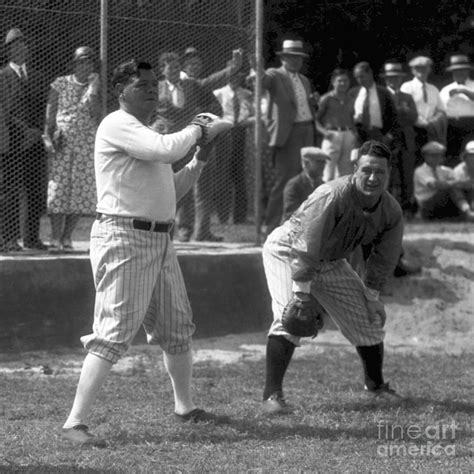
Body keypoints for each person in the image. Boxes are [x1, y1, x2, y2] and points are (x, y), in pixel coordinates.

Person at [61, 59, 226, 447]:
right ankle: (74, 422)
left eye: (153, 83)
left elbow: (173, 189)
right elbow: (165, 149)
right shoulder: (117, 123)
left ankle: (185, 408)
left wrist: (200, 156)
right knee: (114, 333)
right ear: (122, 90)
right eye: (141, 84)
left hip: (158, 239)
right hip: (123, 237)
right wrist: (199, 127)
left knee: (176, 328)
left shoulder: (146, 133)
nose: (151, 89)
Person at [261, 140, 405, 415]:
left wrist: (372, 296)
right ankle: (272, 397)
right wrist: (302, 294)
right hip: (288, 249)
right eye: (367, 170)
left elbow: (384, 258)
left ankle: (376, 387)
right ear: (355, 169)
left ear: (389, 174)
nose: (373, 178)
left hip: (331, 259)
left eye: (380, 172)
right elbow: (307, 243)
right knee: (290, 317)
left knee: (367, 318)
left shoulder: (390, 210)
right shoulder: (332, 193)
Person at [154, 51, 223, 242]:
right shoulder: (157, 88)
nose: (175, 71)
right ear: (163, 70)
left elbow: (210, 83)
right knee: (165, 188)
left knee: (187, 186)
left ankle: (187, 230)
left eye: (178, 67)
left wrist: (232, 68)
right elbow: (147, 112)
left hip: (187, 144)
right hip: (165, 144)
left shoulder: (189, 85)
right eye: (171, 67)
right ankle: (164, 230)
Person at [257, 39, 319, 235]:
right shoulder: (275, 75)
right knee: (284, 179)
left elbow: (304, 105)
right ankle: (272, 225)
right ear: (283, 58)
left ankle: (300, 223)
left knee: (307, 177)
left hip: (307, 129)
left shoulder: (305, 80)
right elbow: (262, 82)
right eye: (291, 57)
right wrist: (256, 67)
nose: (295, 61)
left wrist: (313, 103)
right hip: (288, 133)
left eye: (298, 58)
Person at [43, 46, 101, 251]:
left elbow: (96, 114)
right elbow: (50, 112)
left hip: (85, 145)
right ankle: (55, 237)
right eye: (82, 62)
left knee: (79, 191)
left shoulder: (94, 87)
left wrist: (93, 89)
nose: (86, 66)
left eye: (89, 62)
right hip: (63, 142)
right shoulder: (60, 83)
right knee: (58, 190)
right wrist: (47, 136)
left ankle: (67, 238)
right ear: (74, 64)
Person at [0, 27, 48, 251]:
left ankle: (31, 238)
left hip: (34, 142)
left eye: (23, 44)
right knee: (10, 190)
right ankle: (9, 238)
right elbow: (4, 110)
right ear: (8, 51)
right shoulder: (2, 76)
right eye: (15, 46)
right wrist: (25, 130)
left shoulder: (38, 76)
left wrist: (37, 130)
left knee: (35, 190)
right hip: (12, 142)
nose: (20, 49)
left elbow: (44, 108)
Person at [213, 71, 254, 224]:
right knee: (223, 175)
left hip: (241, 132)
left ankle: (240, 217)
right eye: (232, 76)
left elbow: (251, 112)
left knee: (239, 175)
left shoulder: (247, 94)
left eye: (237, 76)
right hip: (225, 133)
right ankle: (223, 216)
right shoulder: (218, 93)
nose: (234, 79)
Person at [381, 61, 419, 218]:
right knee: (388, 173)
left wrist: (405, 110)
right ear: (386, 80)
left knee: (406, 174)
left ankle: (406, 208)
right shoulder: (382, 95)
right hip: (389, 137)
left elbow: (414, 117)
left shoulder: (407, 97)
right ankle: (387, 209)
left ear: (400, 80)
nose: (393, 81)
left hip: (405, 138)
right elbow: (381, 118)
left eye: (396, 78)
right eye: (390, 78)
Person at [400, 56, 447, 161]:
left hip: (431, 131)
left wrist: (433, 122)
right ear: (412, 70)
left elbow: (441, 110)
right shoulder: (407, 87)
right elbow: (405, 109)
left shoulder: (433, 89)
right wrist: (420, 122)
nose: (422, 70)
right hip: (413, 130)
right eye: (418, 68)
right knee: (414, 161)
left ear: (429, 70)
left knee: (431, 160)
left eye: (425, 68)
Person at [316, 68, 357, 181]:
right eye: (340, 81)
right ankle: (327, 197)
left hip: (348, 134)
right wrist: (324, 132)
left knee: (346, 172)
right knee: (328, 171)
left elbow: (353, 117)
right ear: (333, 82)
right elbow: (315, 119)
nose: (343, 83)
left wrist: (353, 133)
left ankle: (342, 197)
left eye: (346, 81)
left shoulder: (350, 99)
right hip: (332, 135)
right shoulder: (326, 99)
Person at [413, 141, 466, 220]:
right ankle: (467, 212)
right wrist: (453, 183)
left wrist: (453, 183)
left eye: (439, 155)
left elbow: (461, 183)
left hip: (443, 202)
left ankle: (467, 211)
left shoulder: (446, 170)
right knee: (451, 188)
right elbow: (434, 185)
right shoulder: (420, 171)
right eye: (433, 155)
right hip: (426, 204)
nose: (436, 158)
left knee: (463, 188)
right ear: (425, 156)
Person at [351, 61, 398, 148]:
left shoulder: (384, 93)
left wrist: (389, 135)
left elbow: (394, 116)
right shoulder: (353, 93)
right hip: (359, 136)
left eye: (362, 76)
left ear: (370, 73)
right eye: (357, 78)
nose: (360, 80)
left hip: (379, 135)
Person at [439, 54, 474, 166]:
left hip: (471, 125)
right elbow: (440, 108)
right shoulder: (446, 89)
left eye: (462, 71)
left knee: (470, 154)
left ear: (468, 71)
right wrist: (450, 96)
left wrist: (466, 92)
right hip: (451, 126)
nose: (459, 73)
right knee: (452, 156)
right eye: (456, 71)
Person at [281, 146, 329, 221]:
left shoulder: (323, 185)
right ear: (306, 164)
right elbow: (291, 214)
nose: (322, 166)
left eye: (324, 162)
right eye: (318, 162)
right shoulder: (294, 185)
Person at [452, 140, 474, 219]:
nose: (473, 158)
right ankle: (468, 213)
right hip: (462, 201)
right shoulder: (458, 171)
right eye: (471, 156)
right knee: (454, 188)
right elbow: (454, 186)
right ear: (465, 157)